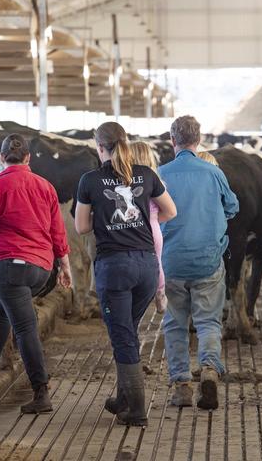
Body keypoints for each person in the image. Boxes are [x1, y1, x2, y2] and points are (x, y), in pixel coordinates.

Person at [75, 122, 176, 426]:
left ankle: (135, 409)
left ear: (99, 146)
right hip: (147, 266)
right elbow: (170, 211)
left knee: (122, 337)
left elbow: (80, 227)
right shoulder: (145, 174)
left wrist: (106, 220)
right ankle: (123, 397)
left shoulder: (89, 180)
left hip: (114, 268)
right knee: (127, 332)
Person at [0, 133, 72, 414]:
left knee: (24, 326)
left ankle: (41, 391)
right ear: (29, 158)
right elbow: (58, 230)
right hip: (42, 270)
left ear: (2, 158)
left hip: (10, 268)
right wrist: (64, 266)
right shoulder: (45, 186)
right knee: (0, 307)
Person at [159, 116, 239, 410]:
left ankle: (181, 386)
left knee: (175, 323)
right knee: (208, 321)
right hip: (208, 260)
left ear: (172, 140)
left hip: (172, 262)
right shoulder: (212, 172)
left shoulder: (161, 174)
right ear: (199, 139)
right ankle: (208, 370)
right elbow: (232, 206)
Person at [130, 141, 167, 314]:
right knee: (157, 261)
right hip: (153, 227)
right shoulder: (156, 180)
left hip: (132, 227)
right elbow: (169, 210)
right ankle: (160, 294)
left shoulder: (125, 183)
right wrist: (153, 219)